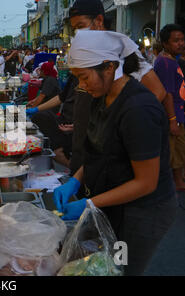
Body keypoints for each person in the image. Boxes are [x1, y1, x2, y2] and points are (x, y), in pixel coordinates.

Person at [54, 30, 177, 276]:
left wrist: (89, 204)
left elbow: (146, 182)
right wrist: (75, 180)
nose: (81, 85)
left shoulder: (138, 109)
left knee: (123, 268)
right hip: (114, 201)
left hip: (143, 212)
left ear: (109, 67)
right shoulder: (102, 97)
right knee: (105, 265)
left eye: (84, 77)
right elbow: (97, 151)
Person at [65, 0, 170, 175]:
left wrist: (124, 124)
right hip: (87, 143)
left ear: (98, 21)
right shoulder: (85, 51)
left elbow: (158, 91)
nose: (78, 35)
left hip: (109, 151)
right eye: (75, 30)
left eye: (81, 26)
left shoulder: (120, 49)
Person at [154, 24, 185, 191]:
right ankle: (177, 181)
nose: (180, 43)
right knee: (176, 150)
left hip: (179, 113)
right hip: (173, 115)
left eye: (182, 39)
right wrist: (172, 120)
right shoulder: (165, 63)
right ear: (165, 44)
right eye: (176, 41)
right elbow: (167, 94)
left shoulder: (173, 60)